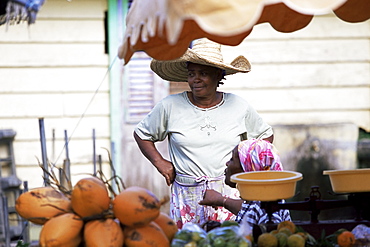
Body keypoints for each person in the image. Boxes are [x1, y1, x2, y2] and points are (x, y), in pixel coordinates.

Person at [133, 38, 274, 229]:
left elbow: (265, 136)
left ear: (218, 75)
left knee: (228, 242)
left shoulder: (238, 106)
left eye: (203, 73)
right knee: (189, 241)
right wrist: (159, 162)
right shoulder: (170, 106)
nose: (195, 79)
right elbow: (142, 134)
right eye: (191, 74)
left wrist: (245, 167)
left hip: (229, 196)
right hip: (187, 197)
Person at [199, 139, 291, 225]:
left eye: (232, 160)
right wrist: (220, 200)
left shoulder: (266, 206)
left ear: (246, 171)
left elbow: (270, 237)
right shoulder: (256, 200)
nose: (227, 163)